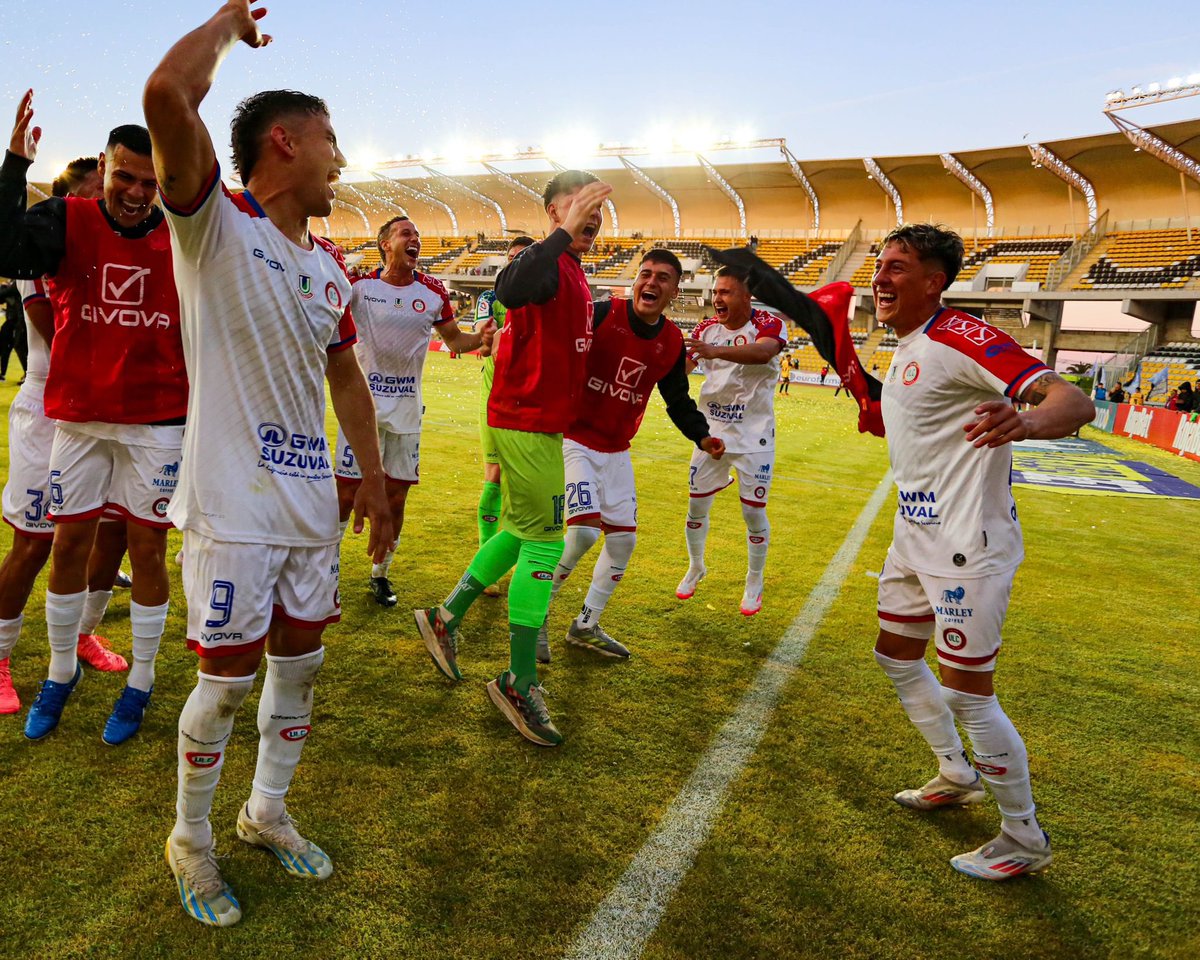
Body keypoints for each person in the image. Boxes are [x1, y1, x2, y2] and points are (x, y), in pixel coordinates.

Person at [145, 0, 392, 926]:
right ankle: (192, 843)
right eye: (331, 140)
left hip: (306, 512)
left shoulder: (330, 268)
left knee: (301, 670)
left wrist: (369, 478)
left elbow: (348, 383)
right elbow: (168, 92)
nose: (342, 159)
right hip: (231, 509)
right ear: (284, 143)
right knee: (223, 685)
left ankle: (267, 814)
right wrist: (225, 24)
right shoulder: (214, 224)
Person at [865, 224, 1093, 880]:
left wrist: (1025, 421)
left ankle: (1023, 837)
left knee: (971, 695)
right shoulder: (909, 343)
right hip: (916, 537)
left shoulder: (959, 335)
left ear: (934, 282)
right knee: (897, 656)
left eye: (899, 268)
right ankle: (954, 771)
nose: (881, 278)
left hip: (968, 547)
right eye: (880, 265)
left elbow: (1072, 402)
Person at [0, 93, 185, 745]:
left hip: (158, 422)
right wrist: (13, 167)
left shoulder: (185, 234)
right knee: (67, 544)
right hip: (77, 419)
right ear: (104, 168)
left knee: (147, 549)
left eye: (149, 181)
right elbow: (5, 249)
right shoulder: (66, 220)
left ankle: (140, 682)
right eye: (125, 177)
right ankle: (58, 673)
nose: (136, 193)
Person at [414, 169, 612, 748]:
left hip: (537, 422)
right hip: (526, 420)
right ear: (554, 211)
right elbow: (509, 287)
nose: (593, 215)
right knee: (548, 541)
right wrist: (558, 238)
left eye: (600, 206)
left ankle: (445, 618)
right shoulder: (547, 263)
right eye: (580, 205)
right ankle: (518, 680)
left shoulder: (574, 272)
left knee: (523, 532)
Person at [538, 249, 724, 662]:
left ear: (676, 290)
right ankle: (535, 616)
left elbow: (677, 400)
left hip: (617, 450)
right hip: (574, 441)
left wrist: (703, 437)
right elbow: (559, 351)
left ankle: (586, 624)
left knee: (622, 541)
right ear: (636, 280)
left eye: (662, 278)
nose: (651, 283)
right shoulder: (601, 314)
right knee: (584, 531)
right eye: (645, 274)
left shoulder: (672, 342)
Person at [334, 214, 488, 607]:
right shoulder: (360, 287)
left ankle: (380, 574)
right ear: (386, 243)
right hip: (361, 411)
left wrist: (482, 338)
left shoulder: (434, 291)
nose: (415, 238)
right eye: (407, 233)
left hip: (405, 412)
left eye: (418, 234)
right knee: (346, 493)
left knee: (397, 496)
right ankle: (325, 571)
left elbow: (455, 341)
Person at [676, 265, 786, 616]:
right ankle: (696, 565)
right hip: (710, 436)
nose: (716, 298)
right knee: (696, 508)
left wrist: (713, 352)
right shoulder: (706, 328)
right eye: (715, 291)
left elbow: (763, 352)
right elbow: (685, 368)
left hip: (755, 438)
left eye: (725, 292)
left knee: (753, 512)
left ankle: (755, 579)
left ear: (746, 296)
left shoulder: (769, 325)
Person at [473, 236, 535, 597]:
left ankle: (520, 555)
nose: (516, 264)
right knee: (494, 475)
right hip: (496, 396)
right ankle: (487, 562)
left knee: (529, 484)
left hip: (533, 399)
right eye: (512, 258)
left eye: (524, 258)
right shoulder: (490, 299)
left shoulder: (544, 297)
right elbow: (484, 346)